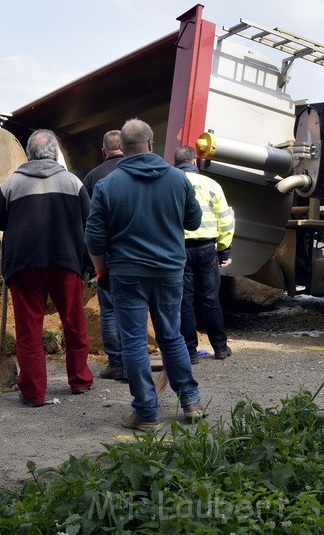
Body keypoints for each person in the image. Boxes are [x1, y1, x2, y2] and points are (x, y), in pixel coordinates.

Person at [84, 119, 205, 431]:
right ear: (152, 144)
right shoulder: (178, 179)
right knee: (171, 335)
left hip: (127, 274)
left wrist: (101, 271)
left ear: (121, 148)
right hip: (169, 272)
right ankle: (190, 401)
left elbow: (94, 239)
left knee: (135, 342)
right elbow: (193, 222)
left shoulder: (107, 185)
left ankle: (147, 413)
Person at [0, 128, 94, 407]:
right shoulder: (72, 182)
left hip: (24, 265)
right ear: (55, 153)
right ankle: (80, 380)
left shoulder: (13, 183)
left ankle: (33, 393)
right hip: (65, 261)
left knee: (29, 330)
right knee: (74, 323)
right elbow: (89, 218)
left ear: (29, 154)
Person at [174, 145, 236, 362]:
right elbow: (225, 221)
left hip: (179, 250)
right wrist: (223, 250)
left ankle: (190, 352)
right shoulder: (212, 185)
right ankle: (220, 348)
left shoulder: (171, 184)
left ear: (176, 163)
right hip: (207, 249)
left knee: (185, 301)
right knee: (211, 299)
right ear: (194, 162)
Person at [81, 129, 126, 381]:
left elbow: (89, 222)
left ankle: (117, 363)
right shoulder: (136, 171)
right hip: (137, 252)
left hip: (107, 255)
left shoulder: (93, 177)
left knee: (108, 309)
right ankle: (135, 360)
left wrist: (93, 262)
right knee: (136, 307)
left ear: (103, 151)